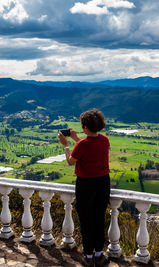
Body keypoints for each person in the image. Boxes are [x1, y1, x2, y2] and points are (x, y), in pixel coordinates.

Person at [58, 108, 110, 267]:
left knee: (86, 219)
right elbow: (91, 146)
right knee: (99, 218)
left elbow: (71, 161)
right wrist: (77, 139)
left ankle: (88, 256)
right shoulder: (104, 140)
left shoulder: (81, 145)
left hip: (86, 184)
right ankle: (99, 255)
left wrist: (66, 145)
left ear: (85, 127)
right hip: (103, 183)